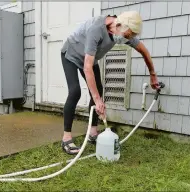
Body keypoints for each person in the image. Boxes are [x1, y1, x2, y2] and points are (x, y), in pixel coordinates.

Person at [60, 11, 160, 155]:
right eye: (127, 36)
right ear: (118, 25)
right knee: (75, 91)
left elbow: (143, 51)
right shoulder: (96, 29)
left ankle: (93, 133)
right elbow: (87, 67)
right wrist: (97, 100)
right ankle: (66, 138)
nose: (127, 40)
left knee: (98, 90)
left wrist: (153, 75)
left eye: (130, 37)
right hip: (71, 54)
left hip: (90, 57)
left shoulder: (124, 30)